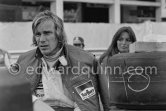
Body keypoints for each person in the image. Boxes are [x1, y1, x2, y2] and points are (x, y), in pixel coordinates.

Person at [12, 10, 109, 111]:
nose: (42, 39)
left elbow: (94, 102)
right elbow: (15, 96)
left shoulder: (85, 60)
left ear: (58, 34)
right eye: (38, 34)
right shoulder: (24, 60)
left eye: (47, 33)